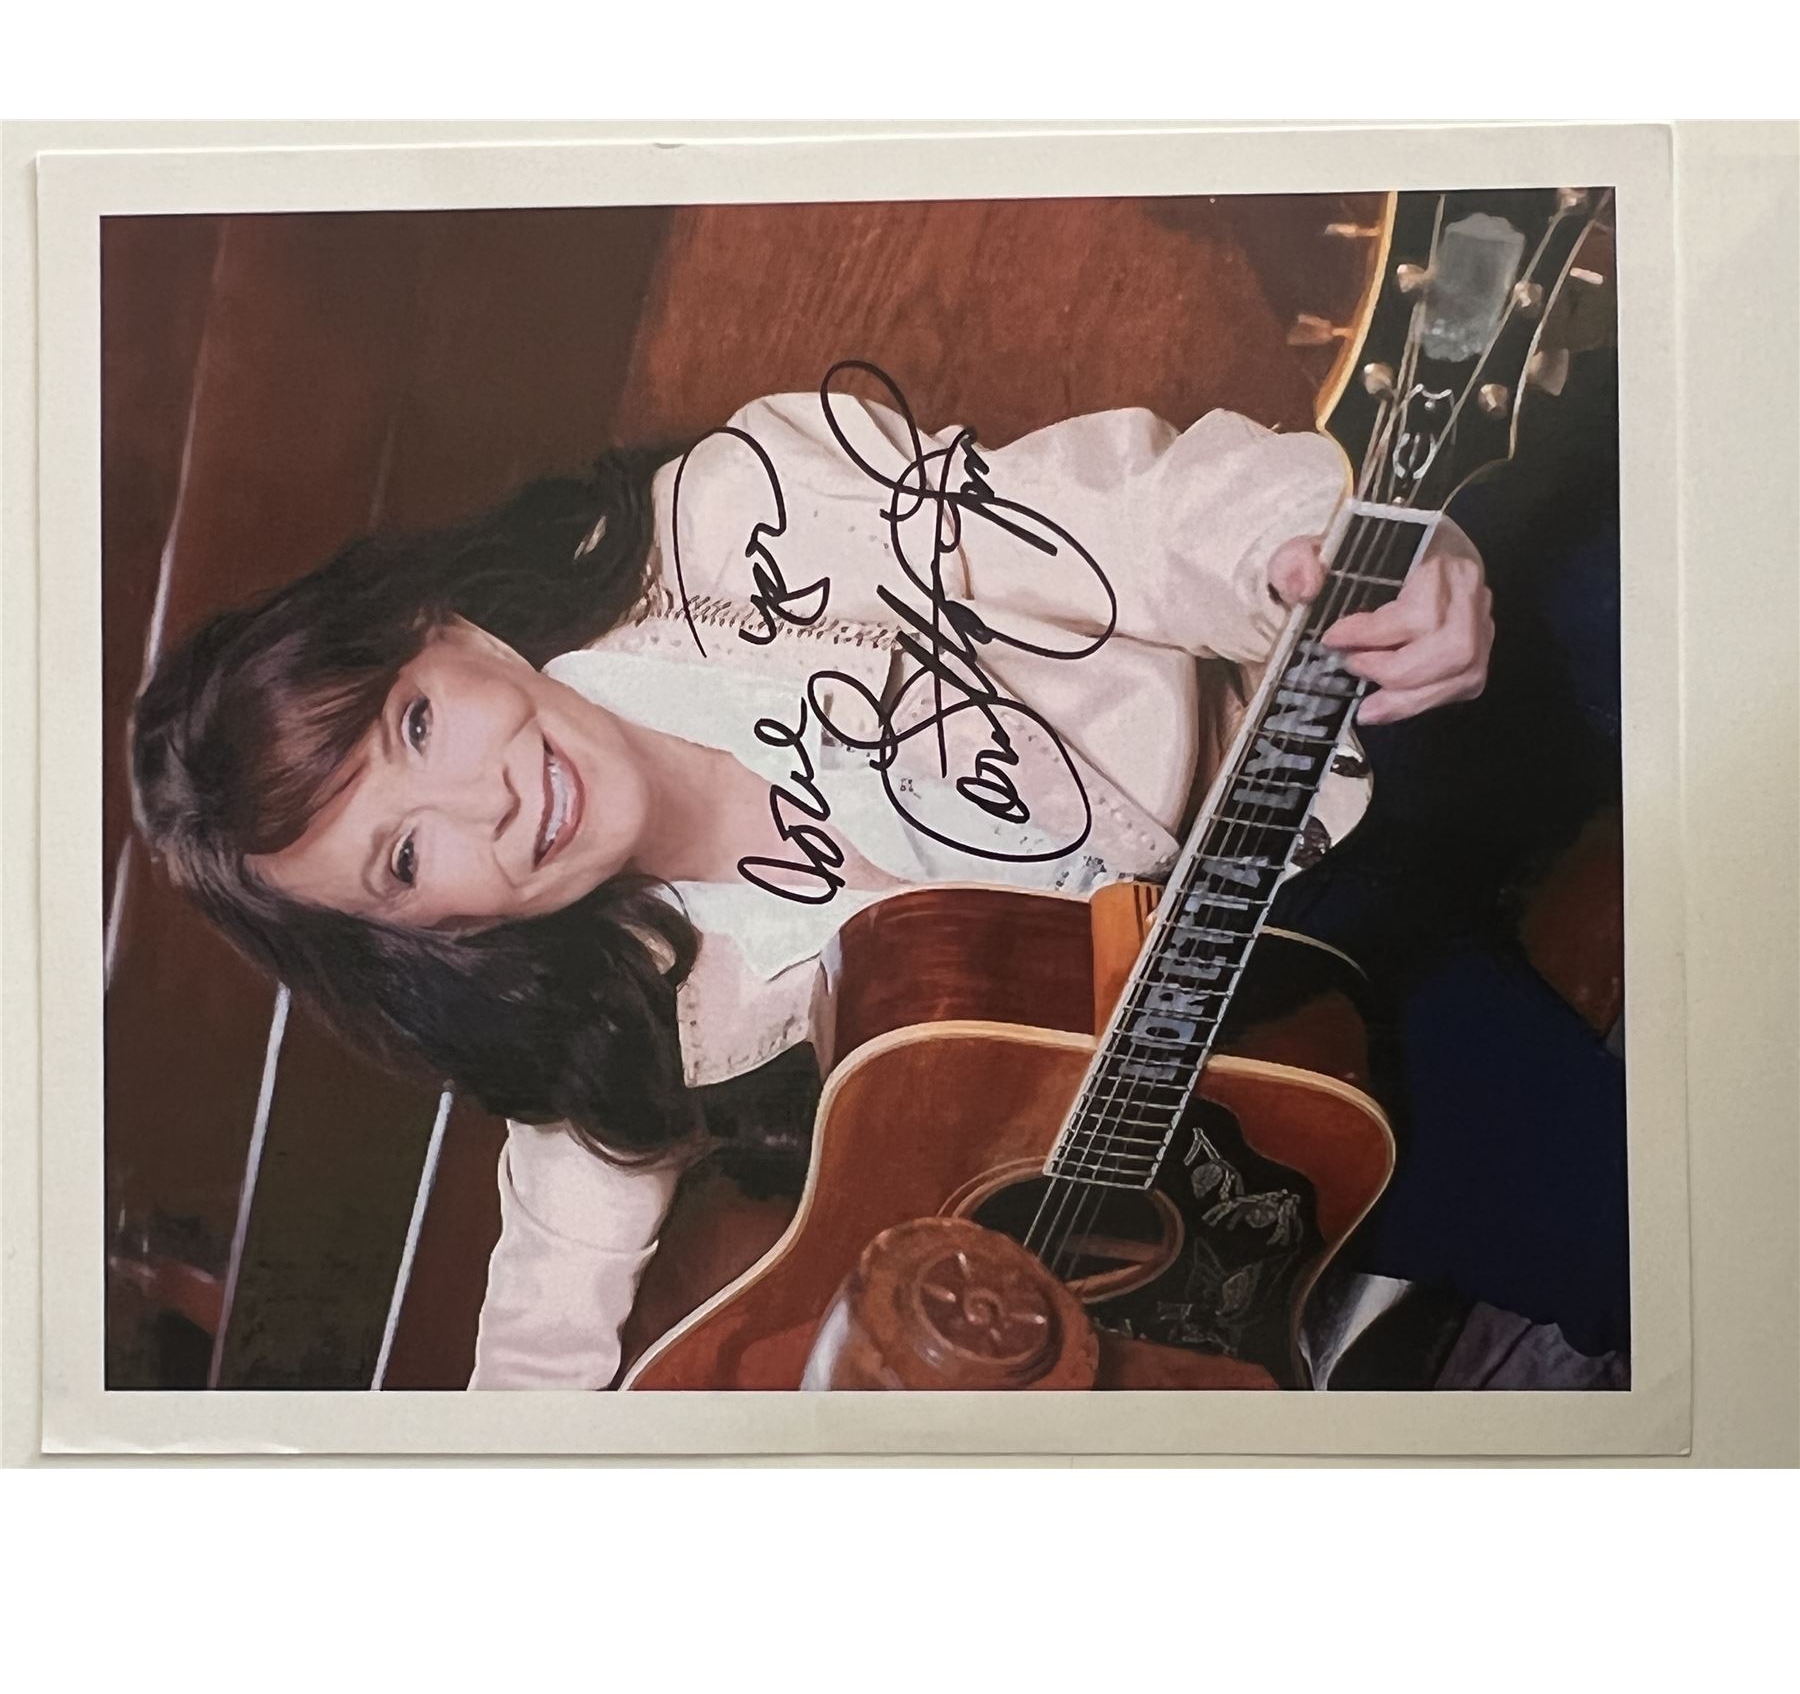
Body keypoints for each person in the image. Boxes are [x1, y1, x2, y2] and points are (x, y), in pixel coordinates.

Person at [131, 387, 1499, 1389]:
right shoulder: (610, 1030)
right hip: (1234, 1132)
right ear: (430, 934)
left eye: (418, 725)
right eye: (404, 858)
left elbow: (1125, 520)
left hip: (1327, 824)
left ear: (459, 635)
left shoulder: (744, 517)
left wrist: (1314, 557)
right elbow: (539, 1332)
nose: (480, 804)